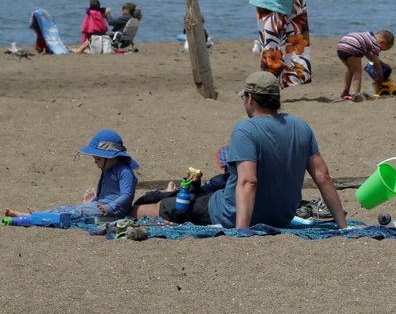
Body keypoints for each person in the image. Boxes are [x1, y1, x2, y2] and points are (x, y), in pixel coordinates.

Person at [132, 72, 347, 230]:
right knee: (202, 193)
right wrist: (342, 225)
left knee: (164, 206)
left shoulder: (246, 129)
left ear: (250, 99)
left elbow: (248, 182)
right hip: (282, 216)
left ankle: (126, 212)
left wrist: (241, 231)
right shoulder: (300, 126)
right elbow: (323, 176)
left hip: (232, 213)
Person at [4, 129, 139, 218]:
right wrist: (93, 202)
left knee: (76, 212)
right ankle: (37, 215)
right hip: (101, 207)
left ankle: (34, 217)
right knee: (67, 208)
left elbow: (126, 195)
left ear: (110, 157)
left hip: (113, 212)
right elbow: (106, 195)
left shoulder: (124, 171)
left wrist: (109, 207)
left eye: (98, 159)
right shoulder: (107, 169)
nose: (95, 162)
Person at [336, 30, 395, 101]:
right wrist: (380, 77)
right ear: (382, 42)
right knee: (357, 72)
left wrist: (383, 64)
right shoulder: (376, 44)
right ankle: (357, 94)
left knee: (350, 69)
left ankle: (345, 92)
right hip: (353, 47)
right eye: (382, 49)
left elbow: (370, 56)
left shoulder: (369, 37)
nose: (380, 50)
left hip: (342, 45)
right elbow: (376, 64)